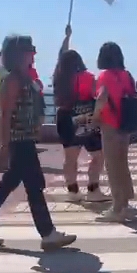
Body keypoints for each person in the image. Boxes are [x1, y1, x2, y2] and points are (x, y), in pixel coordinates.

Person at [0, 34, 76, 250]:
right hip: (19, 140)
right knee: (33, 185)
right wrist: (5, 144)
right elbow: (6, 113)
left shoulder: (25, 77)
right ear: (17, 54)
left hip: (25, 138)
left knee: (12, 184)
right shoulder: (12, 79)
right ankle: (47, 233)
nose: (32, 55)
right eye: (29, 51)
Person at [53, 25, 106, 203]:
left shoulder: (59, 77)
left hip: (64, 117)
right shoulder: (88, 76)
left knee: (70, 157)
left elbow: (62, 54)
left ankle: (73, 191)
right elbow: (97, 95)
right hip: (85, 118)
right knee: (98, 155)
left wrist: (67, 37)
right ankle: (93, 188)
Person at [93, 42, 137, 222]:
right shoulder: (126, 75)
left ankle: (117, 207)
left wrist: (95, 117)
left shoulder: (104, 75)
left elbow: (102, 97)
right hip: (125, 123)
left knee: (112, 165)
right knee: (122, 163)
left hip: (110, 123)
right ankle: (125, 203)